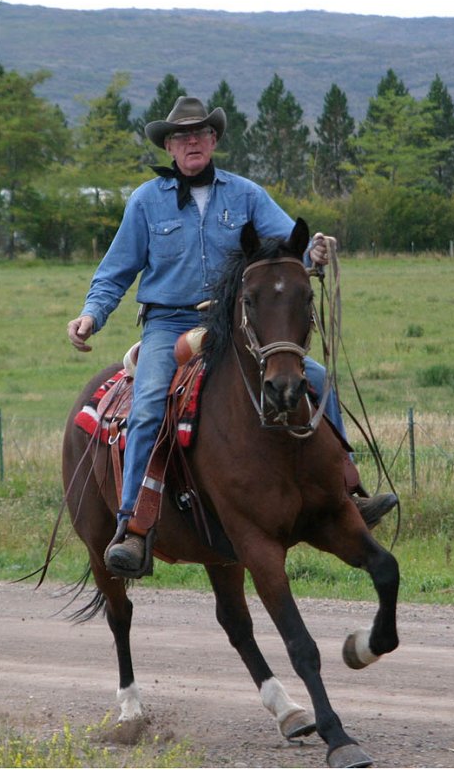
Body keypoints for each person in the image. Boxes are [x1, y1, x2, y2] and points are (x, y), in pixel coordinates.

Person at [68, 96, 396, 576]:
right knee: (149, 404)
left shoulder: (245, 194)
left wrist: (316, 253)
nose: (192, 142)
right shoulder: (145, 201)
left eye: (200, 133)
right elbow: (116, 271)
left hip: (234, 322)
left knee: (319, 378)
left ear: (214, 140)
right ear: (171, 147)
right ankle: (133, 527)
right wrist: (90, 316)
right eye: (182, 136)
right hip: (169, 323)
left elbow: (290, 243)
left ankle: (346, 495)